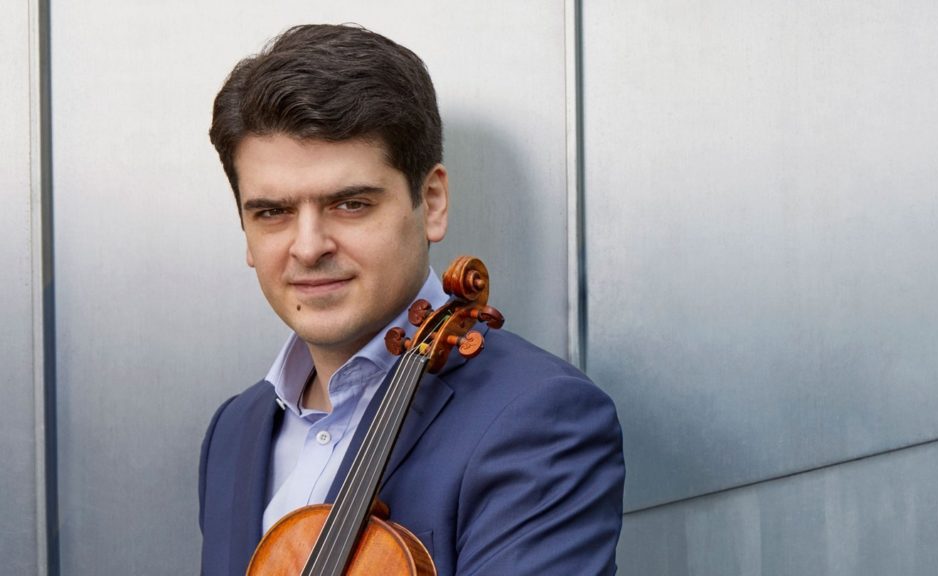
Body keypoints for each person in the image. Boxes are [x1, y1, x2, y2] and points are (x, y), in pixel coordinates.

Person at [198, 23, 624, 575]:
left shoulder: (542, 420)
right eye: (272, 212)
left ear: (433, 201)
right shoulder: (233, 432)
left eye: (351, 204)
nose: (307, 247)